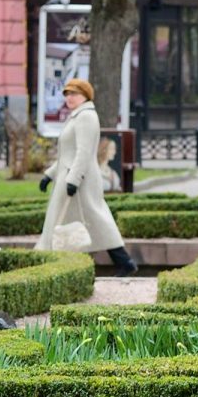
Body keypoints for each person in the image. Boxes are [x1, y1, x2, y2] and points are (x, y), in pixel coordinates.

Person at [36, 78, 137, 276]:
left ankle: (48, 264)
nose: (69, 97)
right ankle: (122, 262)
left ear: (85, 95)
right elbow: (68, 154)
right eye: (67, 94)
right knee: (91, 220)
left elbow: (84, 153)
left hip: (79, 181)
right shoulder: (76, 116)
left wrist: (73, 180)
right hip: (71, 178)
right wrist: (49, 175)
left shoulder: (86, 117)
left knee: (94, 219)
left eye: (74, 93)